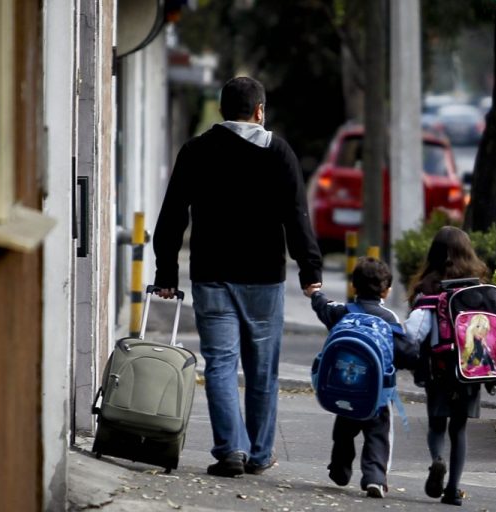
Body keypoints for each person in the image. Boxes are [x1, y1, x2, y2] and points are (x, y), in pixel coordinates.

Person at [152, 76, 323, 478]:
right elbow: (296, 216)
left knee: (221, 366)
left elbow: (173, 214)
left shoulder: (196, 151)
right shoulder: (278, 152)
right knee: (262, 370)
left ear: (221, 110)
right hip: (264, 278)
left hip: (212, 276)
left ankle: (231, 450)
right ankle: (260, 453)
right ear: (260, 110)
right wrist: (310, 270)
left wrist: (166, 271)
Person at [304, 257, 409, 499]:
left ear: (353, 286)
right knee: (378, 435)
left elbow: (324, 307)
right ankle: (374, 478)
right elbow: (406, 352)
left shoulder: (344, 312)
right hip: (377, 394)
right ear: (386, 290)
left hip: (345, 389)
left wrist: (314, 294)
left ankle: (339, 469)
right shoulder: (389, 318)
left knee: (343, 431)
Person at [404, 226, 489, 506]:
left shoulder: (427, 286)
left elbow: (417, 331)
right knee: (460, 429)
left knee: (437, 425)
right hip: (469, 368)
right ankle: (452, 489)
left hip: (436, 367)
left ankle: (437, 459)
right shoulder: (477, 287)